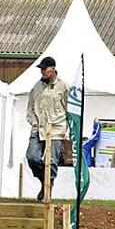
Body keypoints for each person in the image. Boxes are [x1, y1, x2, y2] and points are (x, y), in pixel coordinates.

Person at [26, 56, 69, 201]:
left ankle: (48, 186)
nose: (42, 72)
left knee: (52, 161)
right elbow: (30, 107)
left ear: (53, 68)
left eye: (45, 69)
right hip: (39, 127)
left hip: (56, 128)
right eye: (41, 69)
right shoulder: (37, 86)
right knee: (32, 157)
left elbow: (70, 109)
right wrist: (33, 122)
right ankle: (44, 181)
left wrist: (68, 129)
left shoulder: (63, 86)